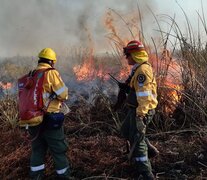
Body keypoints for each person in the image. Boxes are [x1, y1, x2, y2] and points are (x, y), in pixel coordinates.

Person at [28, 48, 70, 179]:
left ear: (40, 59)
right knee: (59, 150)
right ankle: (63, 177)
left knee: (37, 150)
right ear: (52, 61)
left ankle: (36, 176)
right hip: (49, 119)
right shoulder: (51, 73)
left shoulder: (32, 74)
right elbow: (63, 94)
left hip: (33, 118)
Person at [120, 40, 158, 179]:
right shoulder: (137, 68)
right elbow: (137, 89)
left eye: (128, 55)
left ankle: (146, 173)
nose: (126, 58)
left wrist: (140, 116)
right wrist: (127, 88)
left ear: (135, 55)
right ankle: (151, 150)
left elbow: (144, 96)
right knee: (125, 131)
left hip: (141, 111)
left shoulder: (142, 71)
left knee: (138, 141)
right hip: (135, 109)